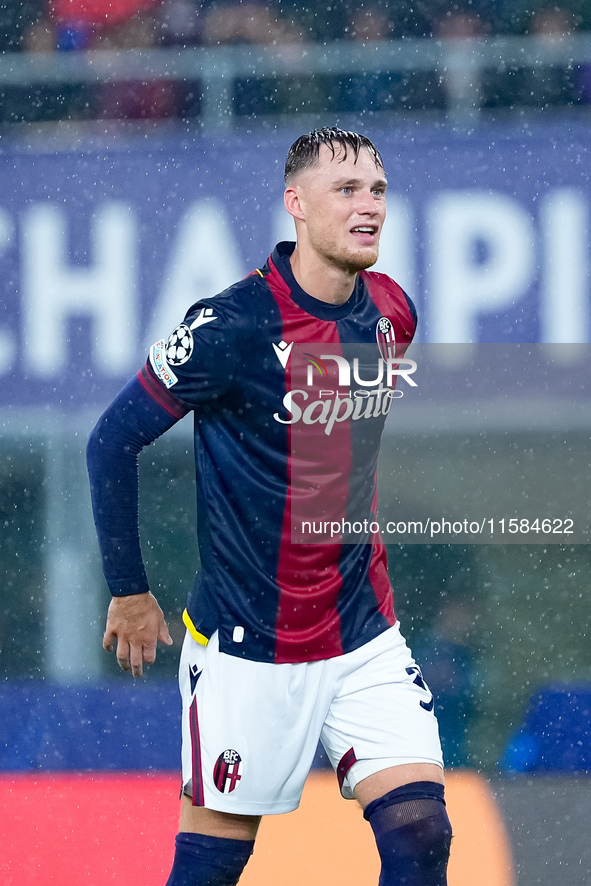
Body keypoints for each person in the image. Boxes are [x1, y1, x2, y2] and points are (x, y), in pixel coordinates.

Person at [87, 127, 452, 886]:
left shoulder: (392, 313)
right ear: (295, 203)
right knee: (213, 866)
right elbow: (111, 441)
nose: (369, 206)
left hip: (362, 630)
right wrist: (128, 589)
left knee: (420, 832)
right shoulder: (230, 326)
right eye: (346, 190)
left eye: (378, 190)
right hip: (249, 643)